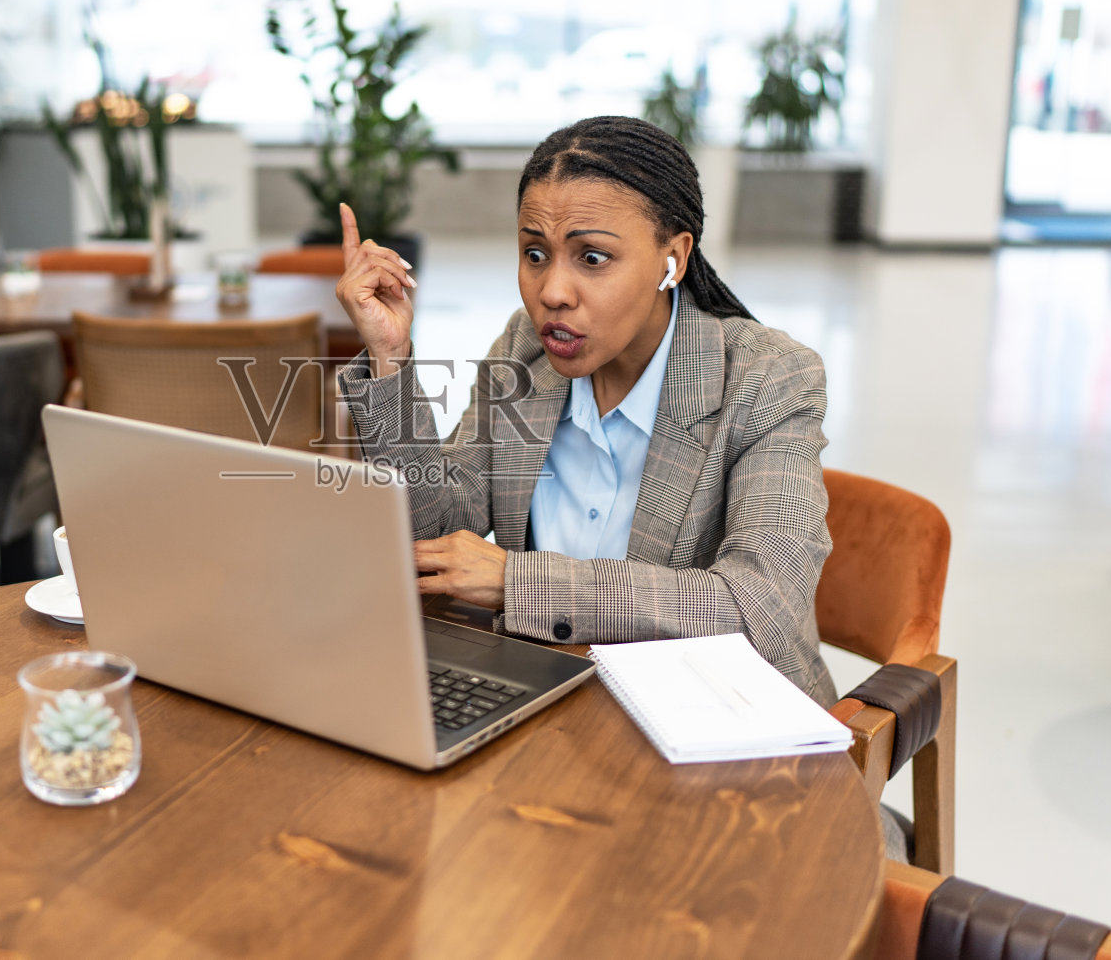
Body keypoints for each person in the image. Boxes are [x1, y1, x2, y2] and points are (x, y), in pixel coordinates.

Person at [333, 115, 836, 707]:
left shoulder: (769, 376)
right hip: (557, 695)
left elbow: (762, 608)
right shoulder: (525, 351)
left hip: (722, 719)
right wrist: (390, 356)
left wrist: (517, 583)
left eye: (592, 257)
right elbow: (437, 529)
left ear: (672, 259)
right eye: (535, 253)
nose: (552, 292)